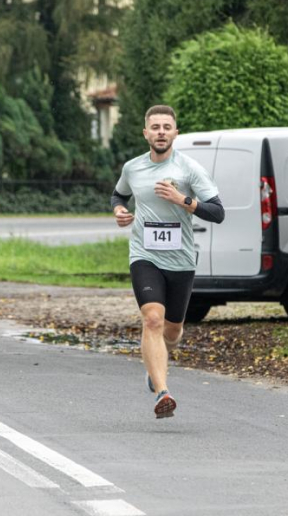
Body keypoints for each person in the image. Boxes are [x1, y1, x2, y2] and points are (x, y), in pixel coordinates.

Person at [112, 105, 225, 418]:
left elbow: (217, 211)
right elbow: (118, 195)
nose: (161, 132)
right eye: (155, 127)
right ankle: (162, 391)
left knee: (172, 331)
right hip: (144, 256)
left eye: (166, 127)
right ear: (145, 133)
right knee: (152, 320)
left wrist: (183, 200)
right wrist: (119, 211)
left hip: (181, 261)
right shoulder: (132, 168)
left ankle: (155, 363)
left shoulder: (189, 169)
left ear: (176, 132)